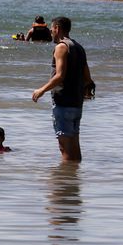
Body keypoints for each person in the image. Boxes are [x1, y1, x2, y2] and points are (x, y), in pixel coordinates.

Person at [31, 16, 94, 162]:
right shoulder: (79, 47)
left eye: (52, 29)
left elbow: (59, 76)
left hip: (63, 103)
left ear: (57, 28)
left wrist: (41, 90)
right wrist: (85, 93)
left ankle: (64, 182)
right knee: (75, 148)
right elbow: (88, 79)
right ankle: (74, 180)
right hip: (77, 104)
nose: (51, 33)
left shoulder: (61, 47)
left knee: (64, 148)